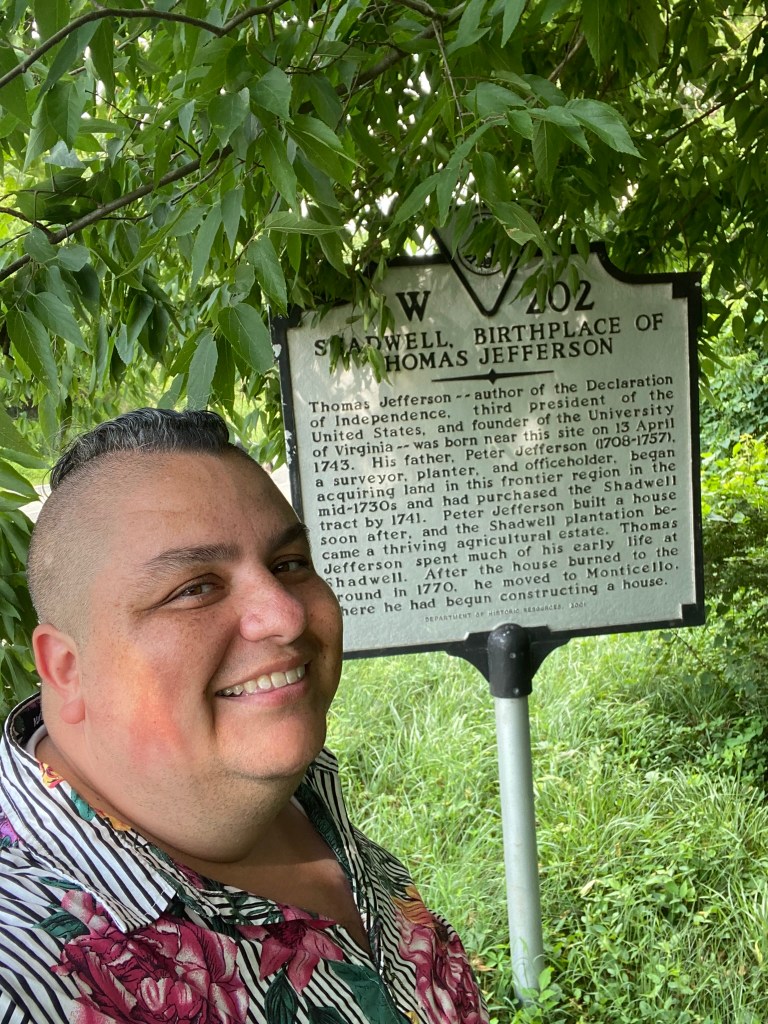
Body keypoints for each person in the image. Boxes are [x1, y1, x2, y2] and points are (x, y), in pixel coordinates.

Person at [0, 408, 488, 1024]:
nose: (286, 615)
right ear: (67, 668)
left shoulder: (276, 784)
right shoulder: (25, 982)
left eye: (289, 564)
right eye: (195, 588)